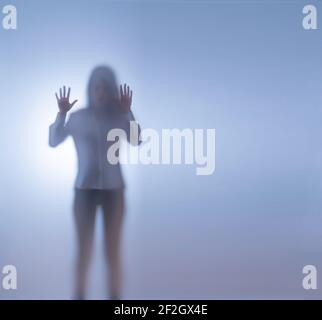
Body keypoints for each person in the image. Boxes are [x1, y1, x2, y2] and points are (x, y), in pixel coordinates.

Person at [49, 66, 141, 300]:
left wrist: (128, 112)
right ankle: (78, 295)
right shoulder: (78, 117)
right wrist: (61, 115)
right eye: (96, 87)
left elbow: (137, 139)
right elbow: (53, 140)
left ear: (112, 91)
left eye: (105, 88)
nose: (100, 92)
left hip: (114, 190)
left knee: (112, 250)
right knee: (84, 250)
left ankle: (115, 297)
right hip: (84, 190)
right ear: (90, 89)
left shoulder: (119, 117)